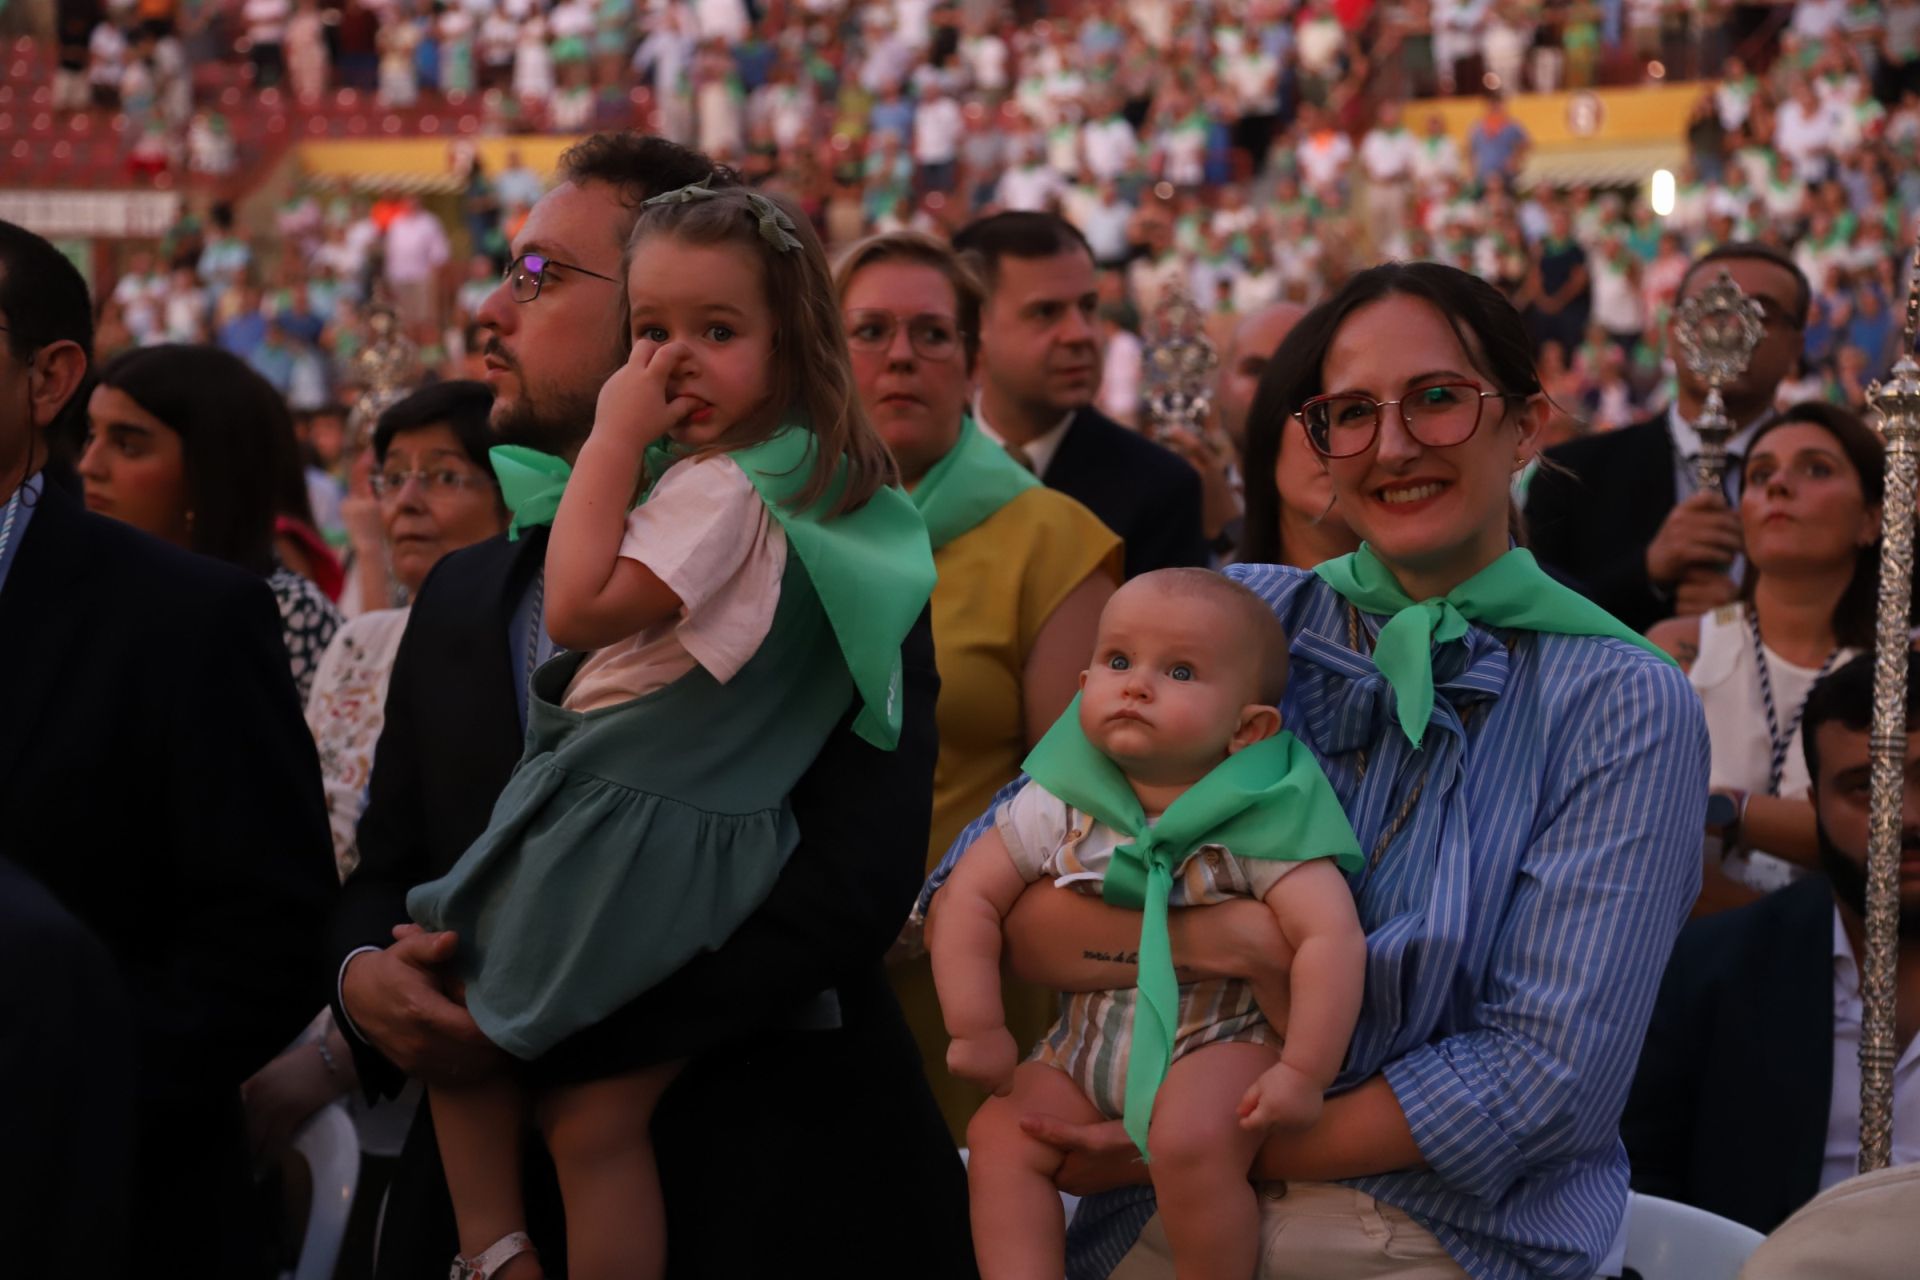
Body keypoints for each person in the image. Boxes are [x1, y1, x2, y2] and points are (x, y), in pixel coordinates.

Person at [920, 261, 1708, 1280]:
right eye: (1350, 413)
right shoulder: (1237, 618)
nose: (1392, 445)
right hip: (1154, 1202)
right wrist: (1232, 939)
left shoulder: (1622, 698)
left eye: (1437, 398)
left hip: (1445, 1225)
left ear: (1526, 424)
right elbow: (1007, 901)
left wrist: (1187, 1137)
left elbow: (1544, 1078)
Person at [328, 134, 975, 1280]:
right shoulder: (468, 589)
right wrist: (368, 978)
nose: (490, 305)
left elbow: (850, 882)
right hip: (473, 1206)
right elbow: (392, 860)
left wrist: (524, 1023)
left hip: (768, 1192)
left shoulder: (835, 550)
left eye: (537, 276)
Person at [0, 221, 336, 1277]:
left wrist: (55, 1086)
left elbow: (267, 939)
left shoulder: (188, 618)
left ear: (47, 376)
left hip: (92, 1208)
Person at [937, 569, 1366, 1280]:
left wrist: (1303, 1070)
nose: (1137, 684)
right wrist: (975, 1025)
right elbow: (966, 900)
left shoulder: (1262, 812)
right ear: (1082, 688)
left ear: (1248, 728)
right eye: (1117, 662)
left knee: (1192, 1141)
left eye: (1180, 671)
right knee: (1000, 1135)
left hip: (1218, 1042)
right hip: (1088, 1045)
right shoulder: (1062, 800)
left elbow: (1330, 938)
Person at [835, 230, 1122, 1138]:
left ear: (971, 363)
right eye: (869, 330)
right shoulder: (759, 520)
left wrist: (926, 916)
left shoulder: (1055, 542)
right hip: (777, 980)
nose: (900, 356)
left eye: (932, 333)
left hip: (967, 987)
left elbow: (1074, 802)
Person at [241, 382, 508, 1202]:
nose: (409, 503)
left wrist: (325, 1065)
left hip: (461, 1070)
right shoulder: (361, 641)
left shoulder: (534, 651)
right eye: (394, 476)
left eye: (446, 475)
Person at [1621, 651, 1920, 1234]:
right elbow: (1639, 1191)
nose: (1903, 816)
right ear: (1814, 809)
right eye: (1864, 788)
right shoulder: (1713, 974)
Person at [1646, 404, 1882, 908]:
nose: (1778, 485)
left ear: (1872, 519)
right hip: (1689, 969)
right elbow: (1629, 823)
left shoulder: (1903, 668)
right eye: (1759, 474)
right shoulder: (1674, 652)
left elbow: (1885, 834)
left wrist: (1730, 810)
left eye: (1815, 468)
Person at [1526, 243, 1811, 633]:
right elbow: (1535, 630)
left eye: (1759, 312)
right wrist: (1646, 575)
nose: (1730, 327)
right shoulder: (1569, 475)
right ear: (1674, 333)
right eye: (1710, 309)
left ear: (1796, 345)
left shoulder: (1839, 481)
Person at [79, 344, 343, 699]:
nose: (89, 466)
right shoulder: (81, 590)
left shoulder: (285, 612)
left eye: (128, 446)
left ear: (206, 470)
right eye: (91, 436)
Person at [953, 211, 1207, 580]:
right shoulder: (916, 475)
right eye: (1045, 312)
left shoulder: (1161, 490)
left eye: (1088, 307)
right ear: (974, 328)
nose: (1081, 334)